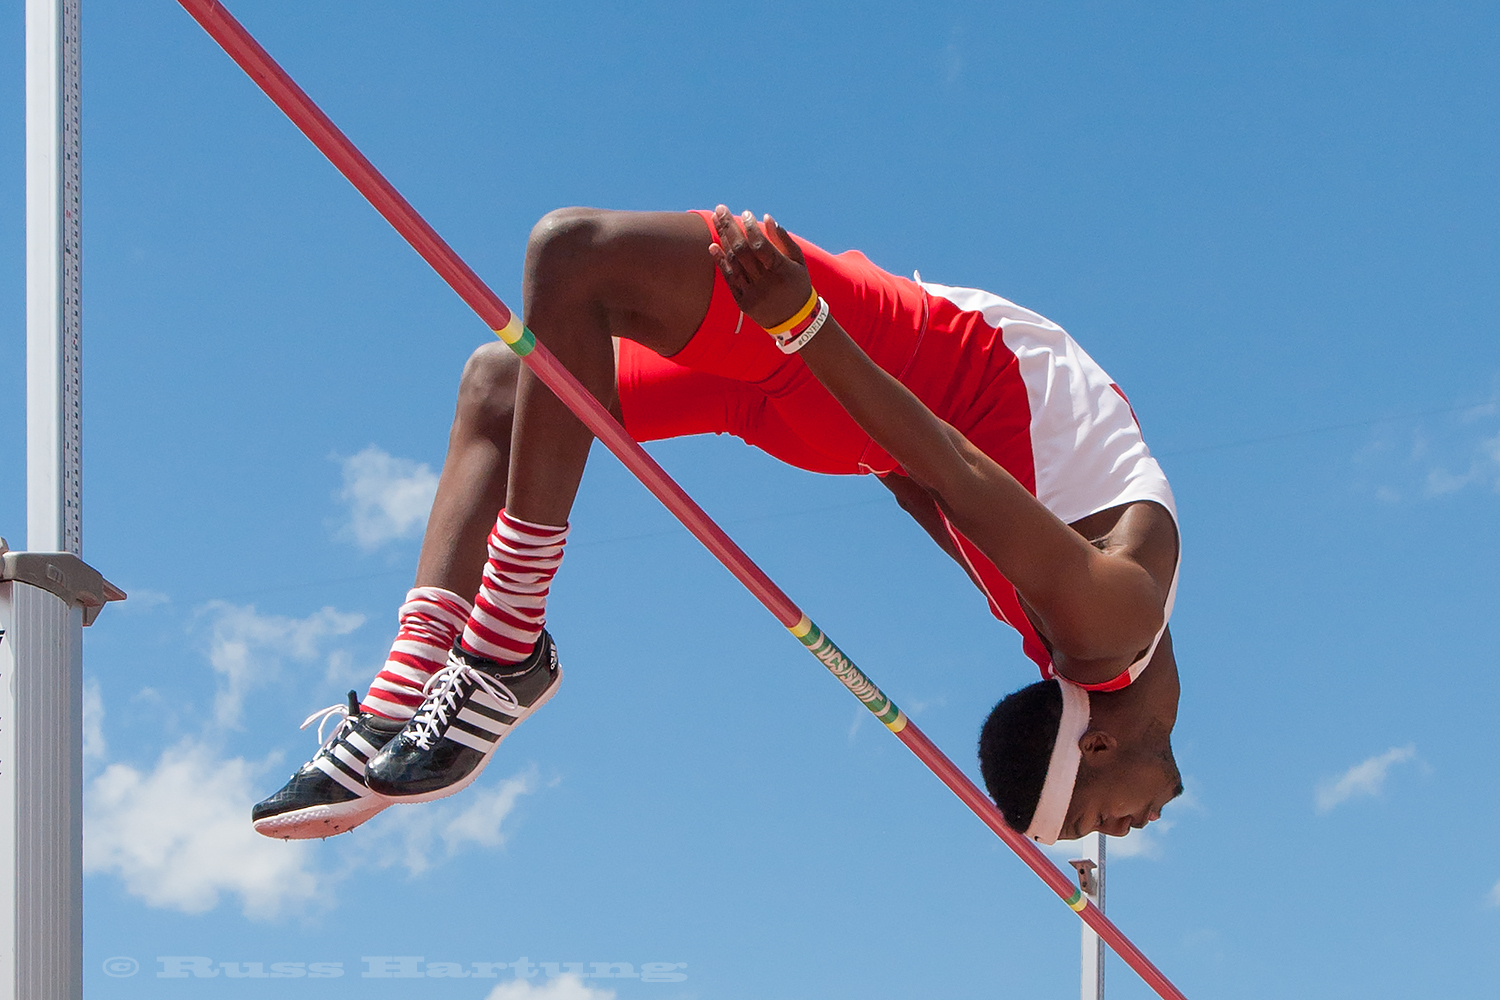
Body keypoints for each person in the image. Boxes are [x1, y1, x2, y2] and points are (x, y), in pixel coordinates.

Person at [252, 206, 1183, 846]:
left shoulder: (1080, 632)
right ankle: (405, 696)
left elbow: (933, 484)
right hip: (892, 366)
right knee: (506, 381)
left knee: (573, 260)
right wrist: (807, 327)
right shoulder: (1109, 625)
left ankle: (496, 648)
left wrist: (809, 334)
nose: (1126, 834)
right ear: (1094, 744)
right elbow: (944, 470)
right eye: (1100, 823)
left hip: (860, 382)